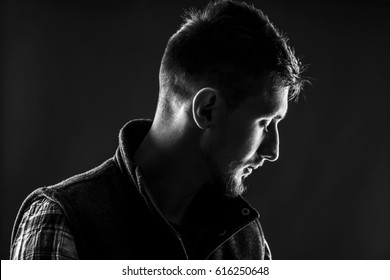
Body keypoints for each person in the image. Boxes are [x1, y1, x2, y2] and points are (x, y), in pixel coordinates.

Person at [10, 0, 305, 260]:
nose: (273, 151)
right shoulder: (64, 219)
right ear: (207, 109)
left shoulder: (247, 242)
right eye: (265, 123)